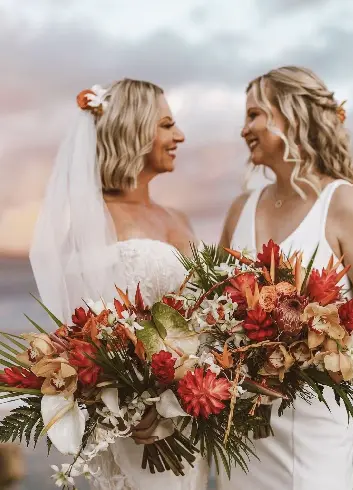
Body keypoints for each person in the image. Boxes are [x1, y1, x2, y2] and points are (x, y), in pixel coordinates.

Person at [218, 66, 353, 490]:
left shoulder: (345, 204)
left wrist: (310, 355)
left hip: (313, 419)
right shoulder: (240, 208)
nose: (244, 129)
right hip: (242, 425)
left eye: (254, 115)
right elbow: (215, 303)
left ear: (291, 116)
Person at [29, 79, 209, 490]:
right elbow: (88, 341)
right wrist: (141, 405)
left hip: (190, 416)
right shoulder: (94, 224)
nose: (179, 135)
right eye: (166, 124)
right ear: (133, 130)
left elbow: (207, 319)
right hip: (136, 429)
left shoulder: (179, 218)